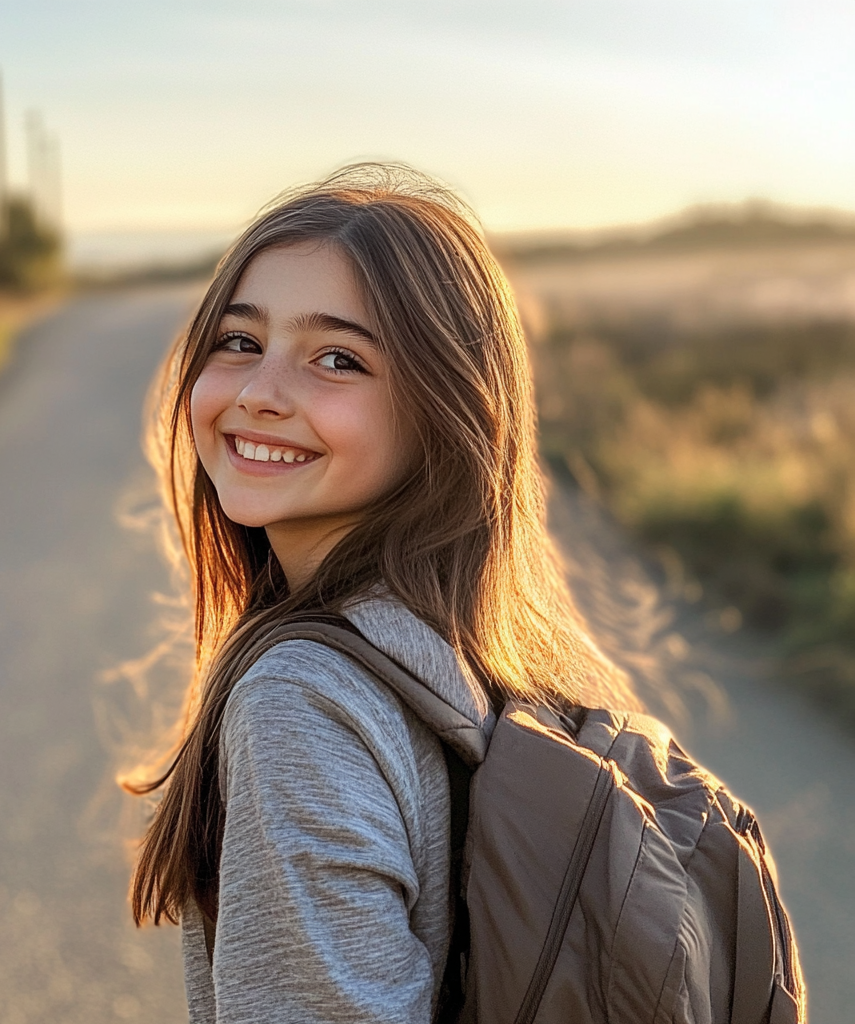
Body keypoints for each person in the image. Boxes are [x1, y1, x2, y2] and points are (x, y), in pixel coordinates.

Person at [127, 163, 639, 1024]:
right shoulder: (479, 648)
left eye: (337, 359)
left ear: (443, 412)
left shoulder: (304, 701)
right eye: (240, 341)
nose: (258, 394)